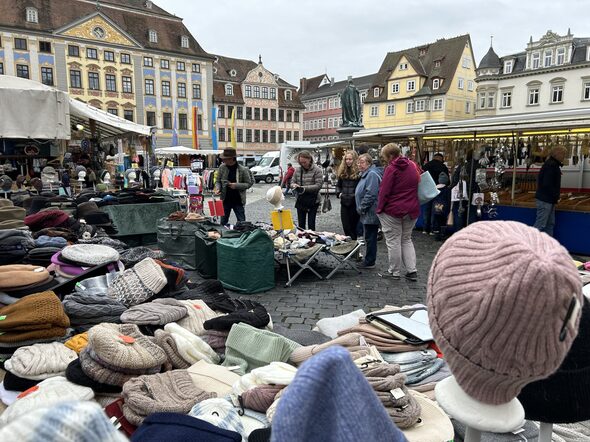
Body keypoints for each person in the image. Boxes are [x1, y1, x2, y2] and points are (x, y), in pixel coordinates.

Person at [377, 143, 420, 281]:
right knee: (406, 239)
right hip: (412, 208)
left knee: (393, 241)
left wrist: (379, 209)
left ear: (390, 155)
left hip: (393, 210)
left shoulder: (392, 168)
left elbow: (384, 191)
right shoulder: (413, 165)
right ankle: (411, 271)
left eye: (384, 157)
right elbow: (419, 181)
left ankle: (394, 272)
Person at [355, 153, 382, 269]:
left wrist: (362, 208)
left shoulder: (371, 174)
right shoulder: (367, 174)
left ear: (369, 163)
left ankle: (370, 261)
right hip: (367, 211)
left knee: (370, 237)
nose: (359, 165)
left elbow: (371, 194)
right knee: (369, 236)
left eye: (361, 162)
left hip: (370, 211)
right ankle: (369, 259)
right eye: (358, 162)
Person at [214, 148, 253, 225]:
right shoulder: (222, 167)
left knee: (242, 223)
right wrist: (218, 188)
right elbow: (218, 181)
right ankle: (224, 236)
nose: (223, 161)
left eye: (225, 159)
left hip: (238, 200)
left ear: (231, 159)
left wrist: (236, 185)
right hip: (225, 200)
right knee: (223, 223)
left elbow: (249, 183)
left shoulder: (243, 170)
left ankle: (242, 236)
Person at [533, 146, 566, 237]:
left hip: (549, 199)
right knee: (541, 224)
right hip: (545, 199)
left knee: (550, 224)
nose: (564, 157)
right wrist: (556, 195)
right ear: (557, 154)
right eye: (563, 154)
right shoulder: (551, 165)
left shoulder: (552, 164)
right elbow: (547, 184)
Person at [291, 150, 323, 230]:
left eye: (304, 162)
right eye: (301, 162)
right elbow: (292, 181)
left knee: (311, 224)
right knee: (301, 225)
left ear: (309, 159)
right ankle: (302, 240)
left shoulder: (317, 170)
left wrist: (303, 188)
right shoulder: (297, 170)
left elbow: (318, 185)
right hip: (301, 199)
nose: (303, 164)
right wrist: (293, 185)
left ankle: (311, 239)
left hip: (313, 200)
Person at [422, 152, 449, 235]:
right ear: (441, 158)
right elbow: (447, 180)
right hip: (438, 190)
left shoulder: (426, 166)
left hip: (427, 189)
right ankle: (433, 229)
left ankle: (425, 228)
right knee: (436, 209)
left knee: (427, 209)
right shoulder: (443, 167)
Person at [336, 150, 360, 240]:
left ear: (354, 160)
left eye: (350, 159)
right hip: (344, 203)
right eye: (346, 159)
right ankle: (350, 249)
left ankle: (354, 250)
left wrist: (354, 196)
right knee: (346, 227)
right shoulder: (342, 171)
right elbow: (338, 186)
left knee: (353, 228)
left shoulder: (359, 173)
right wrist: (339, 193)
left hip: (354, 203)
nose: (348, 161)